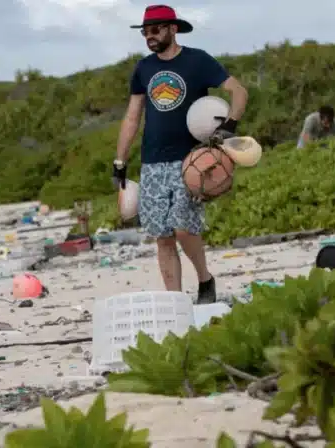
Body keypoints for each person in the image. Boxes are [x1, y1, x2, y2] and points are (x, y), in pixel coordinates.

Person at [111, 4, 249, 304]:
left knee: (184, 229)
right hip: (152, 163)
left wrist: (230, 125)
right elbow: (132, 117)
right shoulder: (143, 69)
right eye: (146, 31)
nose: (150, 36)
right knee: (162, 236)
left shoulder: (197, 61)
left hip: (191, 162)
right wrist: (120, 160)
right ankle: (174, 301)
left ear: (173, 29)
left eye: (156, 29)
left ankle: (204, 279)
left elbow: (239, 91)